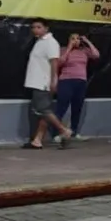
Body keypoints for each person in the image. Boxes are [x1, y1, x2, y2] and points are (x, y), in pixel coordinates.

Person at [22, 18, 75, 149]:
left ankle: (64, 130)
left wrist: (53, 80)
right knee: (44, 111)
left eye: (39, 27)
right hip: (37, 81)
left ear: (46, 28)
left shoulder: (50, 43)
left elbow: (54, 63)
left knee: (43, 110)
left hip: (43, 82)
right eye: (33, 27)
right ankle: (37, 140)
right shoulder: (40, 41)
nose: (35, 30)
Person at [51, 32, 99, 143]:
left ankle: (74, 132)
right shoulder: (63, 49)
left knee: (77, 108)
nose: (75, 40)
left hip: (81, 81)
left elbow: (96, 55)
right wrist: (69, 47)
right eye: (73, 38)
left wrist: (87, 41)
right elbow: (60, 62)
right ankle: (56, 133)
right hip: (66, 81)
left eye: (77, 39)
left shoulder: (84, 51)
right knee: (61, 108)